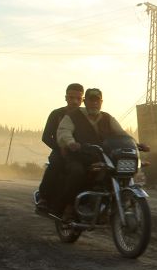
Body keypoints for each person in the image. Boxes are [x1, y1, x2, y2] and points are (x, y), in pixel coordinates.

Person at [56, 87, 130, 220]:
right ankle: (69, 207)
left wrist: (135, 143)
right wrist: (71, 142)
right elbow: (63, 132)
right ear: (85, 101)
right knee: (77, 172)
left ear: (101, 102)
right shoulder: (73, 116)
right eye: (91, 100)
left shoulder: (108, 118)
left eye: (97, 100)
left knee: (117, 173)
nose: (94, 103)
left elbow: (121, 134)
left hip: (102, 157)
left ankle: (109, 204)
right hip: (78, 156)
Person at [36, 83, 84, 212]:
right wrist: (60, 148)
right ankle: (43, 198)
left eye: (78, 99)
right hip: (60, 152)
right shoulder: (56, 114)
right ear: (66, 98)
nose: (74, 101)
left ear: (82, 99)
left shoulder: (85, 116)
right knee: (55, 164)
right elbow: (46, 136)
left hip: (81, 153)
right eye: (71, 97)